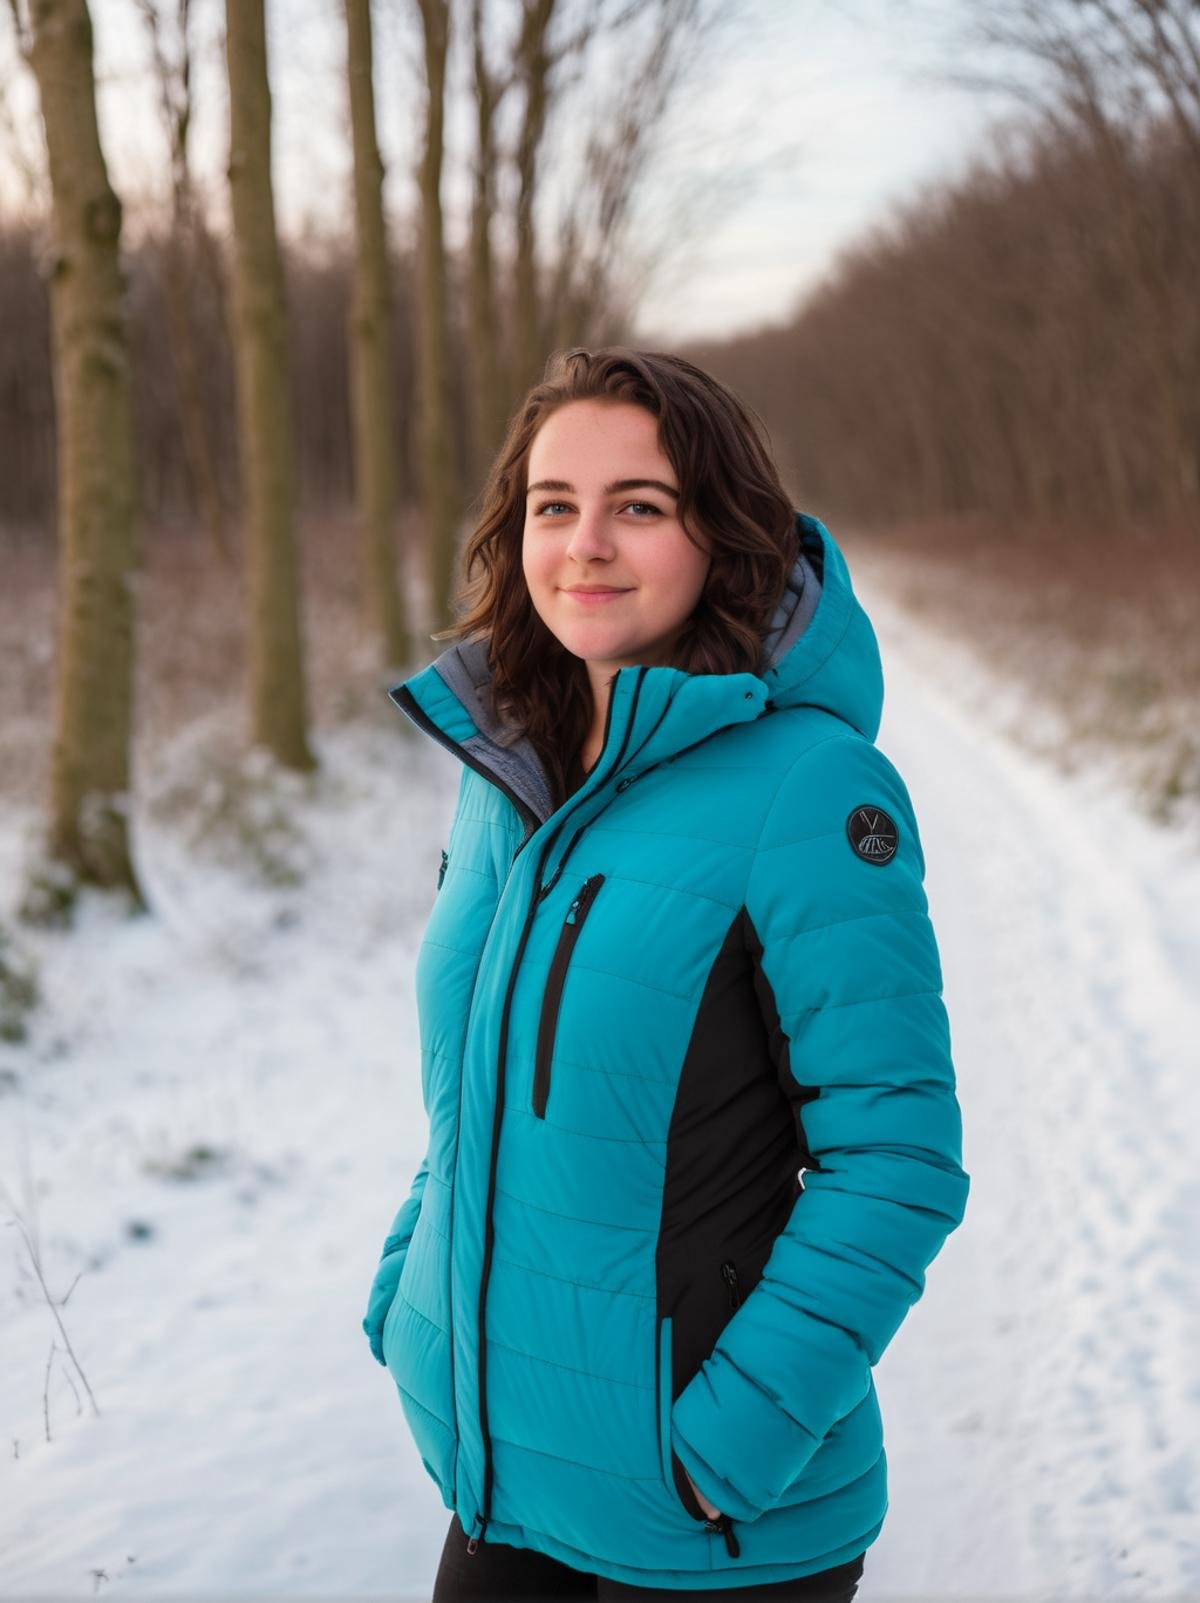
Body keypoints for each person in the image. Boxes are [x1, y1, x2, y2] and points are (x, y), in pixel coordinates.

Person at [362, 347, 970, 1600]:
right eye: (553, 505)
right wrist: (408, 1296)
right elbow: (475, 1081)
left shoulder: (808, 787)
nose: (585, 543)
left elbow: (897, 1157)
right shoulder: (510, 770)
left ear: (721, 534)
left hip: (711, 1526)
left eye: (638, 505)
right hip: (502, 1482)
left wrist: (723, 1442)